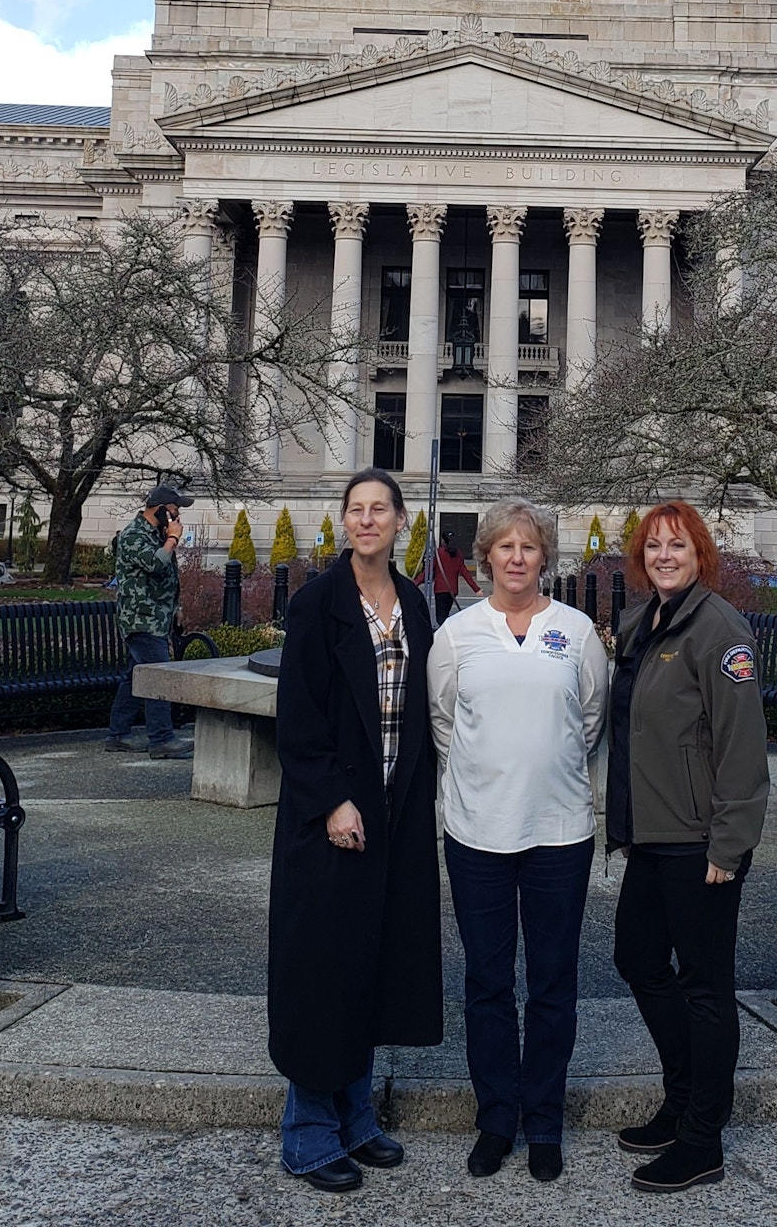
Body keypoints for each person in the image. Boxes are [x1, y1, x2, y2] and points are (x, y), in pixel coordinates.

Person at [268, 467, 443, 1194]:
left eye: (380, 509)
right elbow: (299, 717)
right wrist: (333, 800)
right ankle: (308, 1129)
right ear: (344, 523)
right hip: (331, 819)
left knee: (374, 960)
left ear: (401, 521)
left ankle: (356, 1112)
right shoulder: (317, 603)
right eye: (356, 510)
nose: (367, 520)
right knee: (322, 969)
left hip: (395, 815)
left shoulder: (414, 605)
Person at [428, 500, 610, 1184]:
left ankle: (544, 1122)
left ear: (544, 558)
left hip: (559, 833)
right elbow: (444, 721)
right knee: (487, 982)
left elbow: (589, 718)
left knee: (554, 985)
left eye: (528, 547)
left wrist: (543, 765)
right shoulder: (457, 634)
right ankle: (496, 1118)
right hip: (477, 833)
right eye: (502, 546)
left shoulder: (577, 631)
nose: (515, 557)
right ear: (485, 558)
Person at [606, 500, 769, 1195]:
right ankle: (681, 1097)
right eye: (652, 547)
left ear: (700, 554)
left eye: (677, 546)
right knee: (637, 957)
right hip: (651, 834)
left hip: (702, 841)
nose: (663, 556)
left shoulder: (719, 630)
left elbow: (742, 748)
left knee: (706, 988)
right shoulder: (641, 623)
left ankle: (703, 1138)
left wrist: (728, 847)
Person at [104, 483, 195, 759]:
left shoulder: (156, 534)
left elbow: (166, 575)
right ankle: (161, 739)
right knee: (159, 675)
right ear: (161, 510)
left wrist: (176, 607)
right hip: (140, 620)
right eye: (175, 508)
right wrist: (173, 539)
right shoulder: (134, 536)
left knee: (136, 677)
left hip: (156, 618)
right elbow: (155, 564)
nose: (178, 514)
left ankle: (117, 735)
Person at [417, 526, 480, 623]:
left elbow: (428, 571)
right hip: (452, 590)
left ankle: (442, 634)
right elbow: (465, 572)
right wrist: (476, 589)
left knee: (440, 617)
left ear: (443, 540)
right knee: (445, 614)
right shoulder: (458, 554)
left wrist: (415, 582)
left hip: (440, 590)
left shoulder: (439, 553)